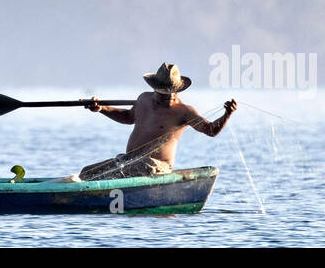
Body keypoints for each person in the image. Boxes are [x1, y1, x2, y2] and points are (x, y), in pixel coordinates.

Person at [79, 62, 236, 180]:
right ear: (154, 87)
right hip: (127, 161)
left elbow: (210, 130)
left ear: (176, 90)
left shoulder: (184, 111)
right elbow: (128, 117)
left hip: (155, 166)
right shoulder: (144, 99)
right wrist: (102, 108)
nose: (164, 95)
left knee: (114, 174)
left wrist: (227, 114)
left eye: (168, 92)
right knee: (86, 173)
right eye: (161, 91)